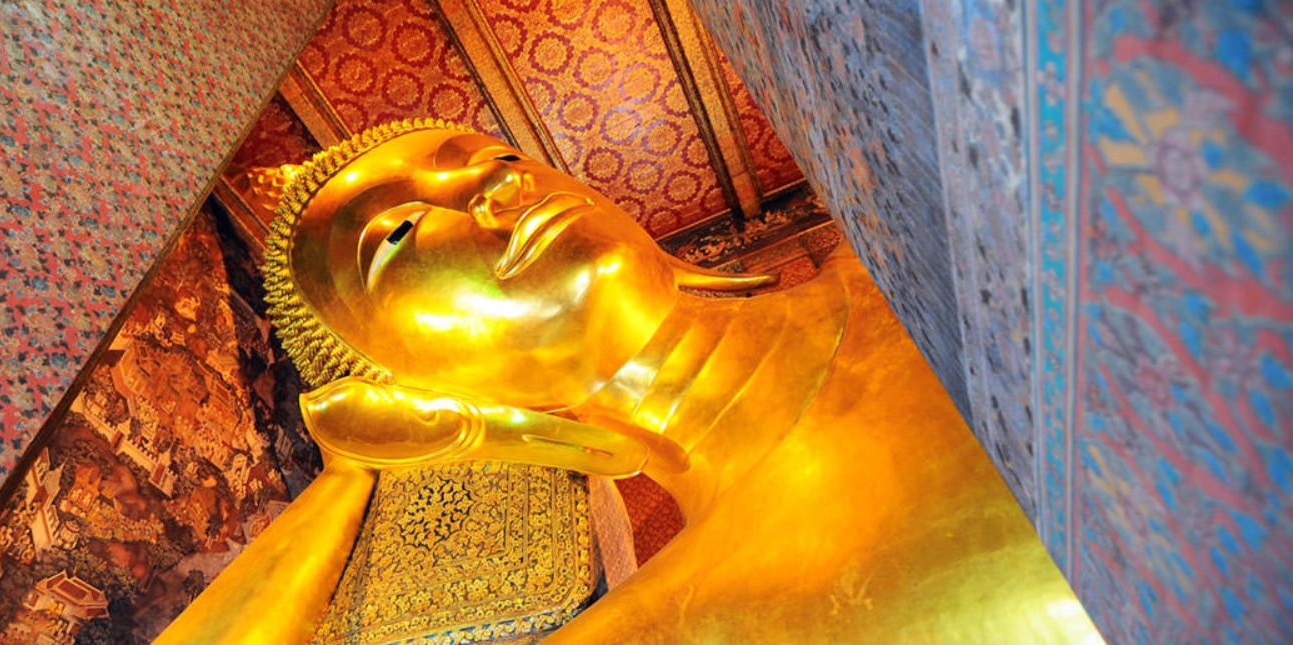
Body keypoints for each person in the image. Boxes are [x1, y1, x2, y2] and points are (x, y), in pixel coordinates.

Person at [157, 119, 1098, 643]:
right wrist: (353, 474)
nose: (495, 188)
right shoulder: (689, 616)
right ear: (413, 391)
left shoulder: (915, 234)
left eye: (496, 159)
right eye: (398, 235)